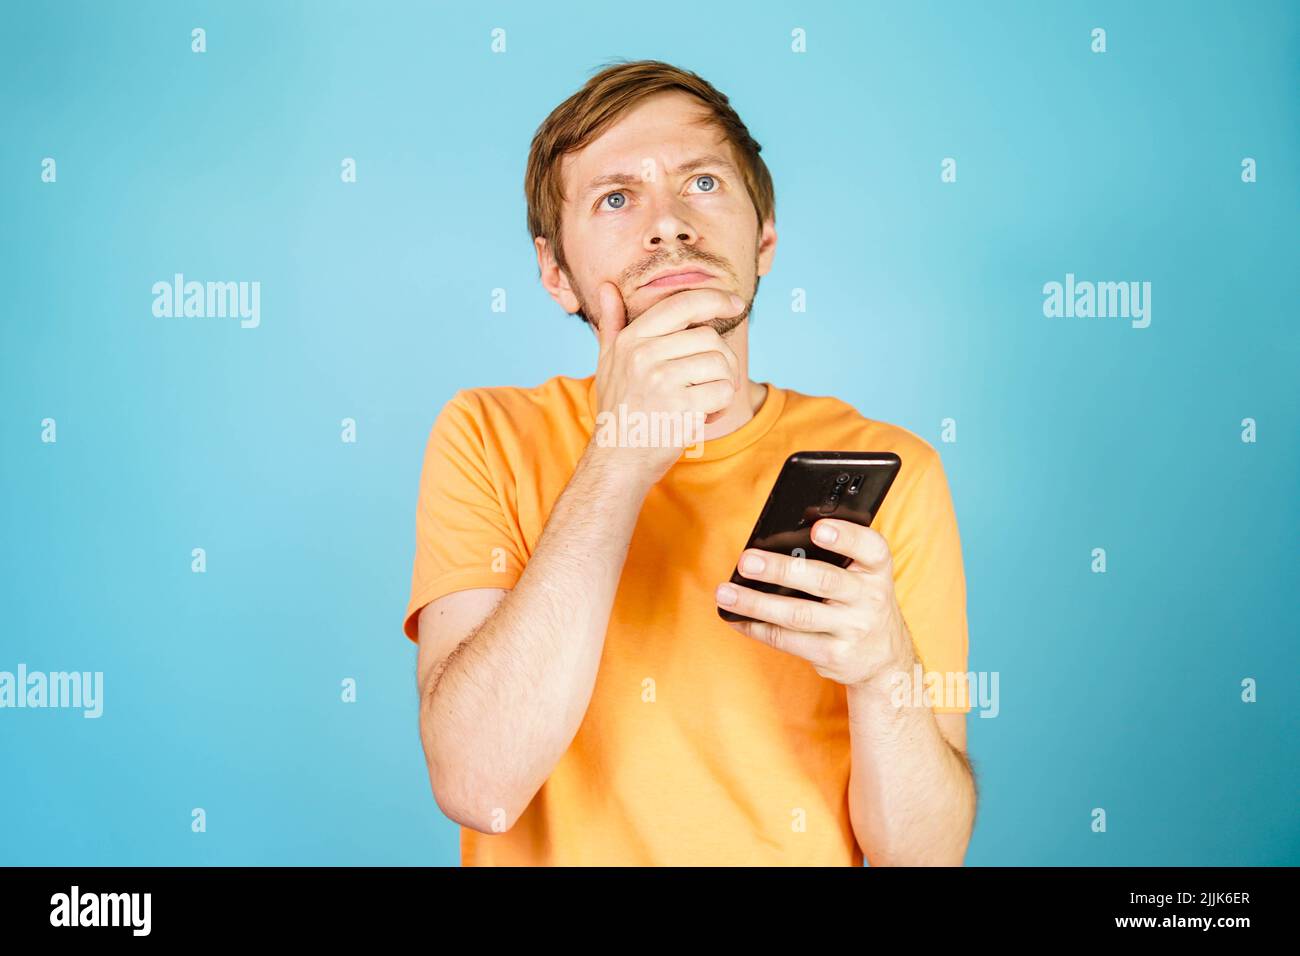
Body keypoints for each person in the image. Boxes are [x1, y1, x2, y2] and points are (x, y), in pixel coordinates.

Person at [403, 59, 976, 866]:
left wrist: (885, 673)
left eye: (702, 183)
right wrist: (620, 459)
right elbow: (476, 784)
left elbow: (925, 858)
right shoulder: (487, 435)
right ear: (555, 272)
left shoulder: (896, 469)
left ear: (765, 234)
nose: (668, 223)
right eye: (615, 197)